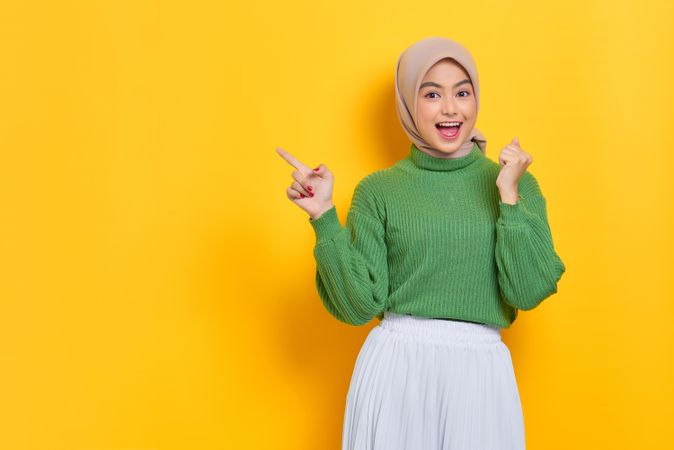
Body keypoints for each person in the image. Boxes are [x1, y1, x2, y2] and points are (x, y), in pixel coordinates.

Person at [276, 36, 565, 450]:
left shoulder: (514, 183)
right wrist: (323, 217)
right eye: (432, 94)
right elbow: (360, 306)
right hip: (397, 370)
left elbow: (529, 288)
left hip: (481, 374)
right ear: (410, 103)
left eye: (462, 92)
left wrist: (509, 198)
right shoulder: (379, 191)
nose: (450, 108)